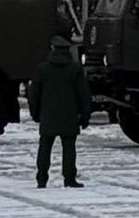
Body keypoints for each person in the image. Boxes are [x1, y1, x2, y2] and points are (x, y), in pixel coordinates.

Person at [27, 36, 93, 189]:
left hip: (48, 116)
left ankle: (42, 179)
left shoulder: (42, 69)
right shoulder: (75, 69)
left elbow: (34, 94)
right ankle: (69, 178)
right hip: (69, 116)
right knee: (69, 148)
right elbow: (83, 95)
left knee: (44, 147)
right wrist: (85, 116)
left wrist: (35, 113)